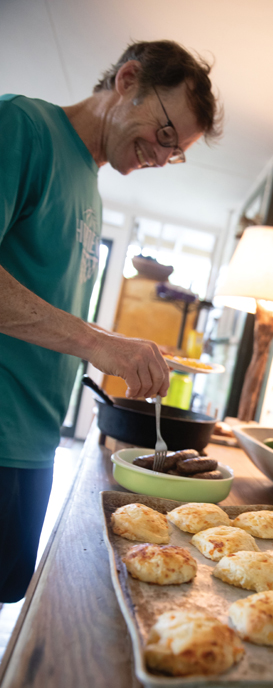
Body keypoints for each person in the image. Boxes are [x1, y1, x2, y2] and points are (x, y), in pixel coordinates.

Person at [0, 40, 221, 604]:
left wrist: (113, 345)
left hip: (34, 439)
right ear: (127, 81)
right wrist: (99, 341)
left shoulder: (91, 190)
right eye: (168, 134)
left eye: (177, 152)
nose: (164, 155)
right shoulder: (22, 126)